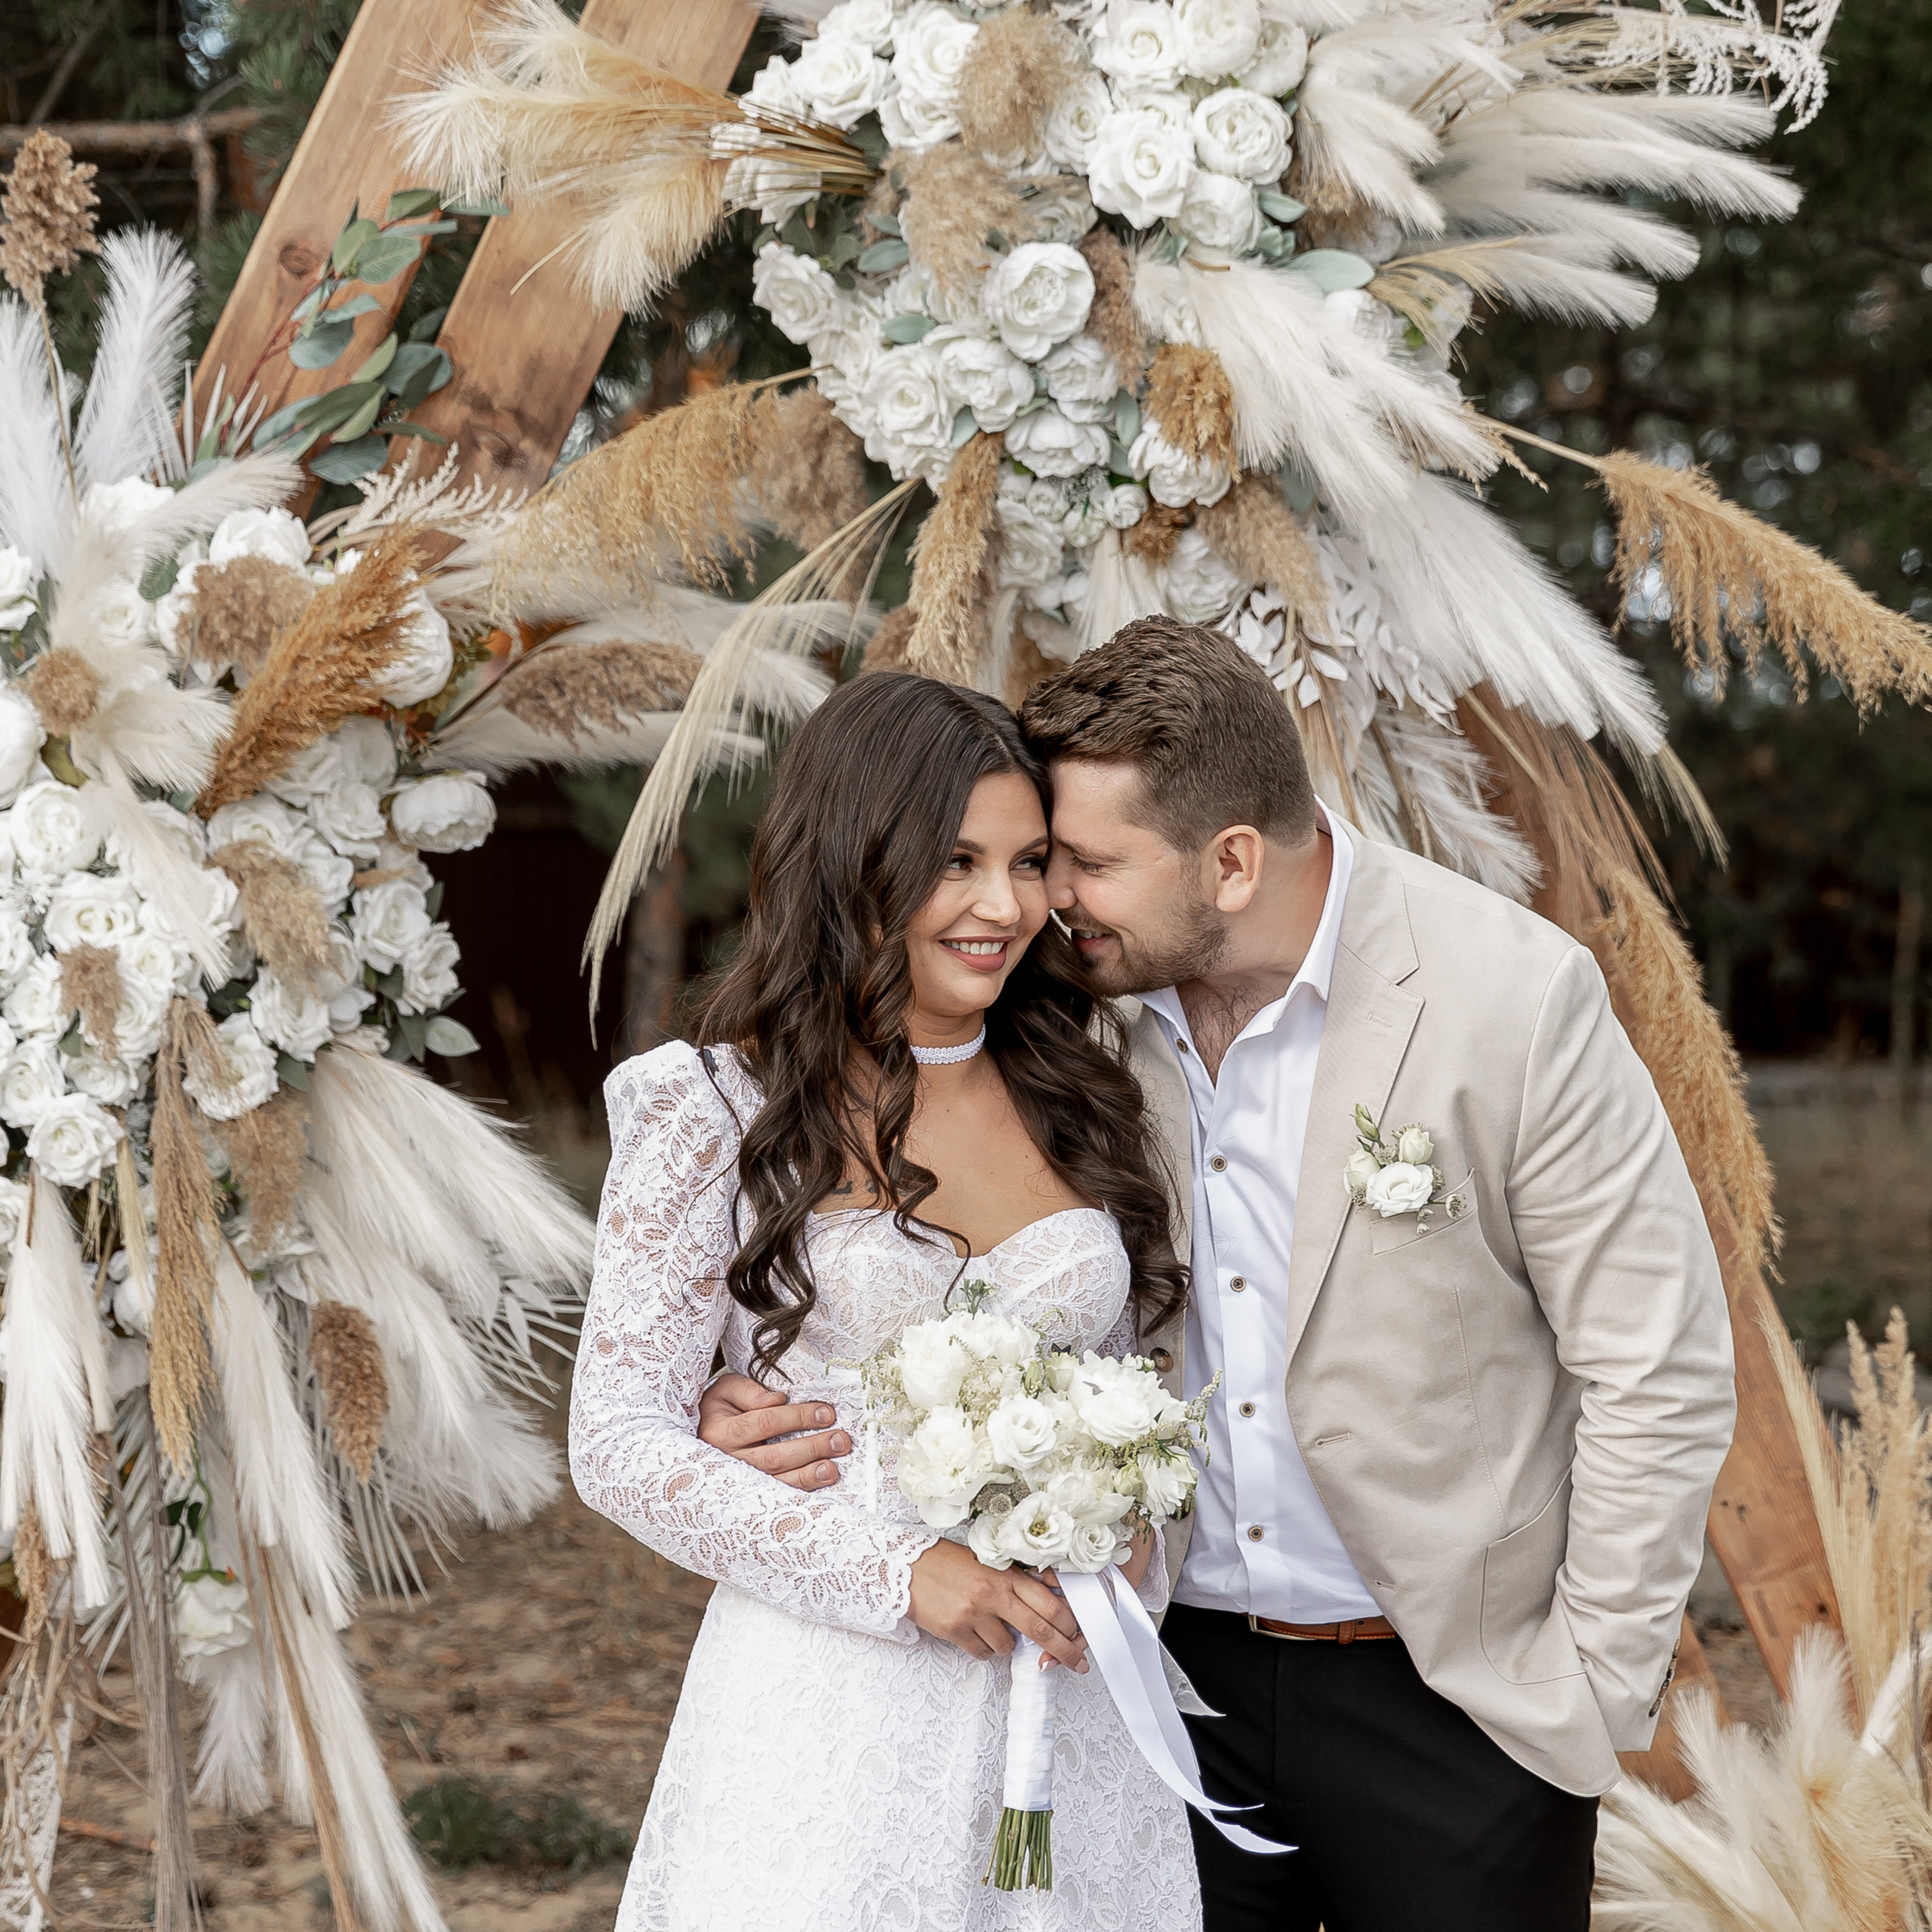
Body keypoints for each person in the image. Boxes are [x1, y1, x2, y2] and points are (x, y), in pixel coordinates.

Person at [702, 620, 1737, 1931]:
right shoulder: (1067, 1013)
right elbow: (938, 1243)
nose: (1040, 902)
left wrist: (1585, 1688)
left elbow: (1660, 1363)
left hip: (1453, 1703)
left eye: (1080, 863)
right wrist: (758, 1399)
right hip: (1154, 1692)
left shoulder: (1509, 997)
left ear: (1232, 861)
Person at [571, 670, 1202, 1930]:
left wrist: (1142, 1543)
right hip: (831, 1708)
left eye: (1030, 864)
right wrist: (902, 1573)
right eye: (955, 862)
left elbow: (1146, 1397)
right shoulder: (711, 1108)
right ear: (853, 859)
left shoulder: (1091, 1092)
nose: (1003, 906)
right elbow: (617, 1442)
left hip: (1069, 1706)